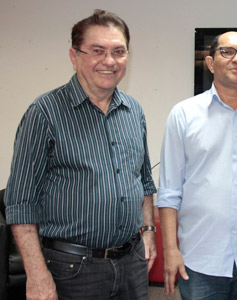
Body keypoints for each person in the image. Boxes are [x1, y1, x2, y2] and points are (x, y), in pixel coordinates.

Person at [4, 10, 157, 300]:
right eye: (97, 51)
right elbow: (20, 202)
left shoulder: (134, 110)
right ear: (74, 57)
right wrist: (37, 275)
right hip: (73, 270)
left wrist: (148, 231)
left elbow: (144, 179)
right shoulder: (44, 113)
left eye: (118, 51)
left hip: (132, 262)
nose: (109, 61)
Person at [157, 31, 237, 300]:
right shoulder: (184, 114)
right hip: (201, 257)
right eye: (227, 51)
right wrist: (171, 249)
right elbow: (170, 191)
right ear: (211, 62)